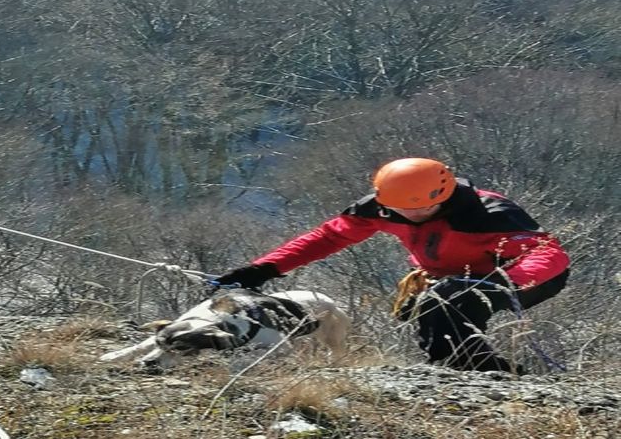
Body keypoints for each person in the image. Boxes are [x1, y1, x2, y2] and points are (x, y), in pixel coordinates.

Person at [214, 158, 570, 374]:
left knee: (447, 301)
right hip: (448, 278)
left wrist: (502, 282)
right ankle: (479, 372)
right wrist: (263, 269)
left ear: (443, 195)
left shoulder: (488, 213)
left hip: (522, 278)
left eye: (422, 209)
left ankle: (477, 374)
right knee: (432, 308)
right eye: (403, 210)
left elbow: (548, 254)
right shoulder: (381, 207)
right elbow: (328, 237)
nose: (412, 216)